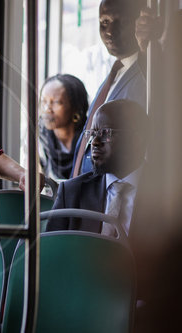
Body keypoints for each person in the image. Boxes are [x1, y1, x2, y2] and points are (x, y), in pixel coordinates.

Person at [46, 99, 148, 236]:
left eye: (106, 133)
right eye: (93, 133)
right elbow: (50, 250)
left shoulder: (167, 194)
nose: (94, 142)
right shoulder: (72, 192)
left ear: (136, 139)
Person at [72, 0, 146, 177]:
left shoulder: (146, 74)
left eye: (123, 22)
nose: (110, 31)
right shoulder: (113, 73)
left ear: (140, 23)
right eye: (104, 22)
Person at [39, 74, 88, 180]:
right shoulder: (38, 137)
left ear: (75, 107)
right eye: (44, 101)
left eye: (56, 102)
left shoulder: (91, 138)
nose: (47, 109)